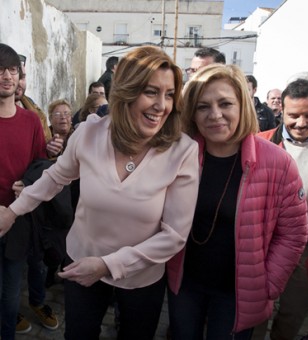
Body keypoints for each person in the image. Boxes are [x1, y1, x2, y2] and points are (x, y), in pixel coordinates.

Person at [0, 46, 200, 340]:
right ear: (127, 92)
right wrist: (13, 211)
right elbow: (55, 177)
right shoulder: (90, 133)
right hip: (82, 264)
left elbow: (174, 235)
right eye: (150, 92)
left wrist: (108, 265)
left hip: (141, 279)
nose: (162, 105)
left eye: (169, 94)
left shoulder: (182, 150)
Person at [166, 63, 308, 339]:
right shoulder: (179, 155)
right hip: (185, 285)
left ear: (242, 105)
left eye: (225, 103)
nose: (214, 115)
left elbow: (293, 233)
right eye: (203, 106)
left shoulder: (278, 162)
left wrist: (268, 284)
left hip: (238, 294)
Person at [258, 78, 308, 339]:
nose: (301, 123)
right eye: (294, 115)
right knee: (254, 318)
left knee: (291, 320)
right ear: (282, 112)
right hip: (261, 250)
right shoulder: (258, 144)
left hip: (307, 254)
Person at [15, 99, 75, 334]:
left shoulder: (32, 114)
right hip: (13, 201)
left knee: (36, 260)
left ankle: (37, 302)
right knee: (14, 266)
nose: (64, 118)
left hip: (39, 209)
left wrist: (49, 151)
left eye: (17, 72)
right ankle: (10, 310)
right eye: (58, 114)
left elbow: (39, 159)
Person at [0, 43, 47, 340]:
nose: (6, 76)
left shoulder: (31, 121)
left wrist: (28, 184)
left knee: (10, 293)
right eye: (0, 69)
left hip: (18, 222)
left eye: (12, 70)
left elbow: (40, 167)